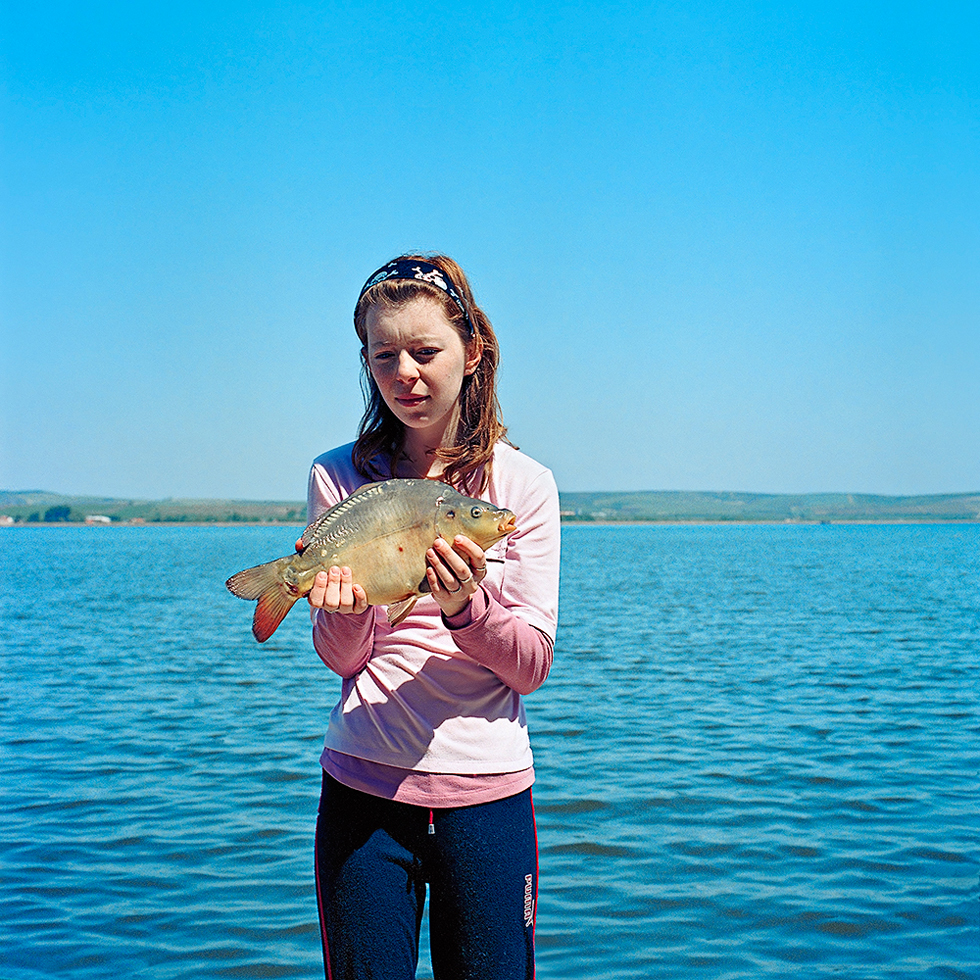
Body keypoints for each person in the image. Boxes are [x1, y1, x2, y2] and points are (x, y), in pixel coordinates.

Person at [306, 254, 560, 980]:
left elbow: (531, 666)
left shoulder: (524, 488)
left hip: (488, 803)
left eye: (425, 351)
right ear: (365, 361)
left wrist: (464, 606)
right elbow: (344, 659)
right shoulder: (338, 475)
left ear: (472, 350)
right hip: (363, 791)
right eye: (384, 355)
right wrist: (347, 614)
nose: (405, 374)